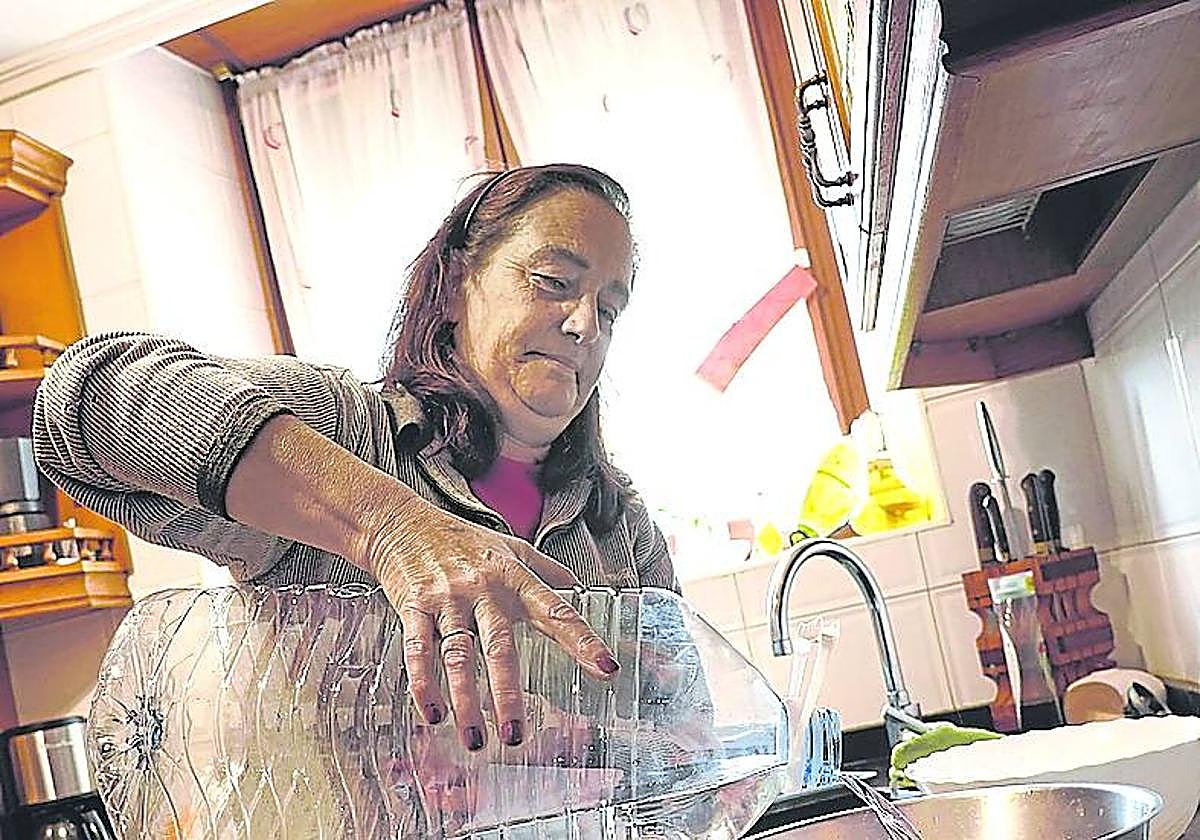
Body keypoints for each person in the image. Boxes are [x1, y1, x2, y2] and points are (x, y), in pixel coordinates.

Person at [33, 163, 678, 757]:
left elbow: (685, 739)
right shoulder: (353, 432)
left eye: (609, 310)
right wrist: (394, 528)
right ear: (457, 286)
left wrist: (602, 748)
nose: (585, 325)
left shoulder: (620, 526)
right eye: (554, 283)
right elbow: (83, 396)